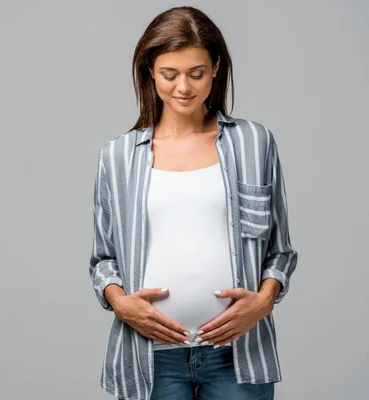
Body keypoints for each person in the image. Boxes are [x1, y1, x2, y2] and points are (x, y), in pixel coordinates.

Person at [88, 6, 298, 400]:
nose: (183, 87)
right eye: (170, 74)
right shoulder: (117, 157)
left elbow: (281, 251)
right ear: (150, 70)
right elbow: (102, 260)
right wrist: (121, 304)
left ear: (216, 67)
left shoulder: (255, 143)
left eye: (196, 73)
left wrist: (263, 302)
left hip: (237, 356)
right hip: (149, 358)